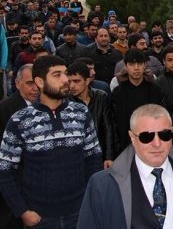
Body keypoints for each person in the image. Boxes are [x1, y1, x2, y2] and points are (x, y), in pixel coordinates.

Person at [77, 104, 173, 229]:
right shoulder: (102, 186)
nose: (157, 143)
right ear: (132, 138)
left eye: (164, 135)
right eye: (146, 137)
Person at [0, 55, 102, 228]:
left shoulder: (81, 113)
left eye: (65, 73)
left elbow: (93, 158)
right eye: (57, 75)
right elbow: (5, 169)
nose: (65, 80)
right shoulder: (20, 120)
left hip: (80, 213)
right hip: (40, 218)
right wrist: (23, 211)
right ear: (39, 81)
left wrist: (91, 200)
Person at [0, 64, 39, 229]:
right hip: (15, 183)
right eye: (30, 83)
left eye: (38, 82)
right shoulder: (5, 108)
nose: (36, 88)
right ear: (17, 84)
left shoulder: (46, 106)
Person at [111, 49, 163, 152]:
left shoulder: (155, 90)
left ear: (145, 65)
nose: (136, 68)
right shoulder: (118, 92)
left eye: (139, 64)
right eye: (131, 64)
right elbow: (114, 124)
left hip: (152, 142)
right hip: (125, 145)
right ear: (125, 66)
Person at [68, 61, 117, 169]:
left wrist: (109, 156)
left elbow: (108, 128)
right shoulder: (66, 101)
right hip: (77, 158)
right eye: (69, 82)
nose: (72, 86)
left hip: (100, 154)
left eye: (76, 81)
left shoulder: (101, 96)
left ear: (87, 80)